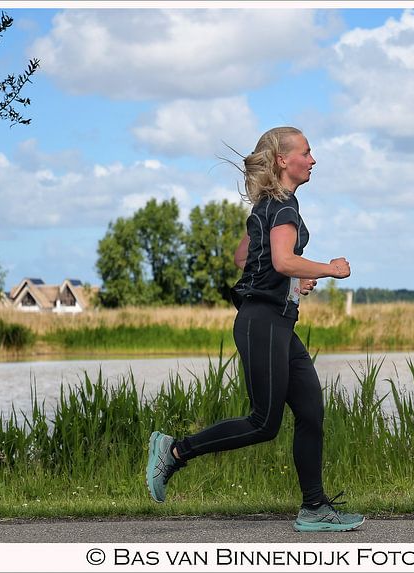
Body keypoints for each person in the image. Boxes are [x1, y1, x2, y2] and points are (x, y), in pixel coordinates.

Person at [145, 126, 364, 533]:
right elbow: (281, 261)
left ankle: (314, 507)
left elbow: (244, 256)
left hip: (276, 322)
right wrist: (327, 269)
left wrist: (294, 279)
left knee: (311, 412)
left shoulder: (269, 205)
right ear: (284, 160)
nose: (313, 160)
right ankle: (174, 451)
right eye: (307, 152)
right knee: (264, 422)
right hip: (262, 322)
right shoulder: (282, 208)